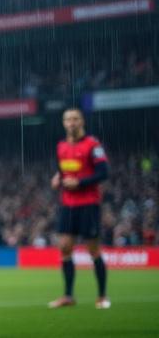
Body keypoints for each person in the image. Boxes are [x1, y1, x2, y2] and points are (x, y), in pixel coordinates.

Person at [49, 108, 110, 310]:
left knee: (93, 249)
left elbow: (103, 173)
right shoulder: (61, 146)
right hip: (68, 204)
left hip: (88, 204)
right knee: (65, 247)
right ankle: (68, 296)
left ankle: (102, 296)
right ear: (64, 123)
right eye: (67, 119)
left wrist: (80, 183)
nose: (71, 123)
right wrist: (58, 178)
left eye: (75, 119)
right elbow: (62, 169)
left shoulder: (93, 145)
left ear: (82, 121)